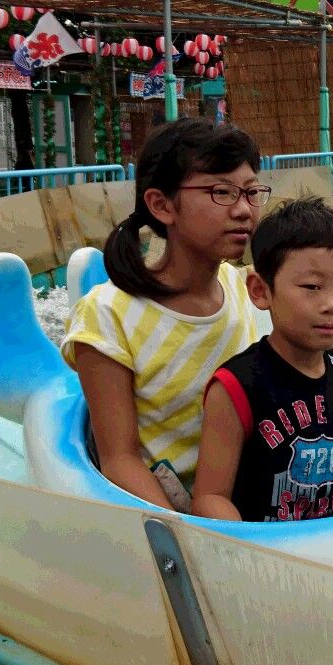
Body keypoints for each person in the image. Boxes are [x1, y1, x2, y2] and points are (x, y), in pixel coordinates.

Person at [62, 118, 266, 512]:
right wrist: (190, 535)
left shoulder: (241, 288)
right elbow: (119, 460)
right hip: (178, 519)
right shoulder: (108, 316)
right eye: (222, 192)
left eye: (252, 192)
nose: (244, 210)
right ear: (162, 205)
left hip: (245, 501)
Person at [193, 198, 333, 523]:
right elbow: (210, 498)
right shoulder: (237, 387)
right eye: (312, 287)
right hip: (275, 554)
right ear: (261, 291)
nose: (332, 304)